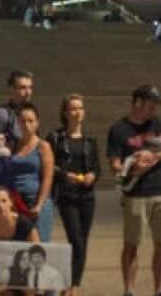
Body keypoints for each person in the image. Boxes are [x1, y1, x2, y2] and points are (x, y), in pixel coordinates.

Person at [107, 85, 161, 296]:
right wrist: (130, 168)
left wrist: (152, 157)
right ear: (137, 102)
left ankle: (160, 290)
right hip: (136, 194)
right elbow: (114, 163)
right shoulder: (119, 129)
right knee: (131, 243)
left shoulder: (156, 124)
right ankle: (129, 290)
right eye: (151, 103)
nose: (155, 108)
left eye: (157, 103)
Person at [46, 93, 99, 294]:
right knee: (75, 239)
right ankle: (69, 283)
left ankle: (73, 285)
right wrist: (65, 175)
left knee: (82, 241)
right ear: (65, 112)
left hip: (87, 196)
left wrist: (93, 175)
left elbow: (96, 167)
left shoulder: (90, 141)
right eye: (73, 109)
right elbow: (49, 165)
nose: (77, 112)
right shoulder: (57, 138)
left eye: (80, 108)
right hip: (67, 196)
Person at [0, 185, 39, 295]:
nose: (0, 206)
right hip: (5, 268)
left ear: (11, 202)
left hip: (27, 269)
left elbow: (36, 253)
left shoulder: (25, 223)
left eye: (4, 201)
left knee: (30, 285)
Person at [7, 103, 54, 241]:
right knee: (18, 249)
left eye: (30, 121)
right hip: (16, 203)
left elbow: (48, 177)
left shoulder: (43, 146)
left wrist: (39, 204)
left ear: (37, 123)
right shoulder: (13, 146)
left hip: (36, 202)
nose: (26, 125)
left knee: (39, 248)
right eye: (22, 121)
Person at [0, 70, 33, 151]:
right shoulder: (2, 116)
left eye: (30, 87)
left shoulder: (31, 114)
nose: (28, 93)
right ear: (11, 89)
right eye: (22, 88)